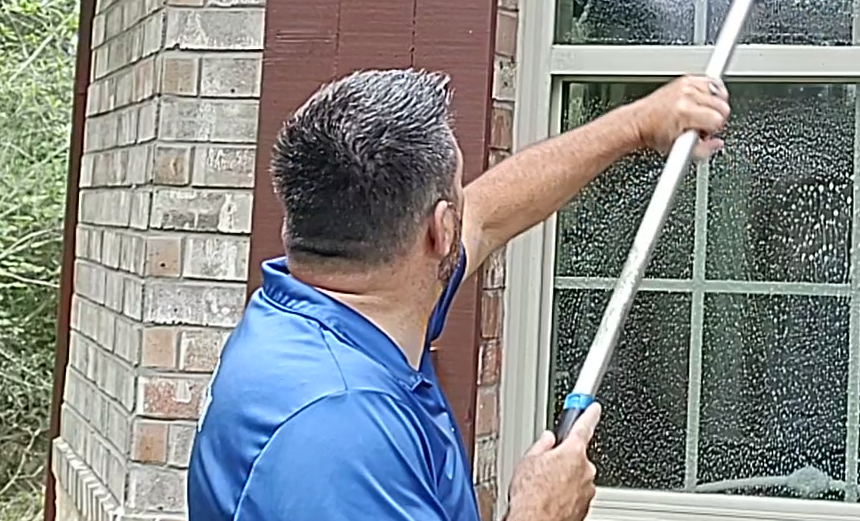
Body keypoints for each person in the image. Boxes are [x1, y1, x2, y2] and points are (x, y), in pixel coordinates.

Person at [185, 68, 732, 521]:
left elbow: (493, 212)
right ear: (439, 230)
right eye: (456, 200)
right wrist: (538, 514)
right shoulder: (341, 436)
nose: (469, 208)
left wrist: (639, 124)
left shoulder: (323, 309)